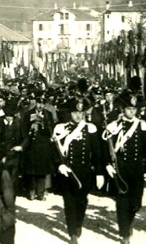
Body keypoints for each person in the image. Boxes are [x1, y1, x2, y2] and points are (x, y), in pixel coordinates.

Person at [103, 93, 146, 244]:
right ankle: (124, 233)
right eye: (129, 109)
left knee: (136, 202)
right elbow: (106, 149)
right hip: (120, 168)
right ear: (122, 109)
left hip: (137, 168)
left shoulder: (142, 125)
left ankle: (128, 223)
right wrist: (108, 164)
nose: (132, 112)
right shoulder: (114, 126)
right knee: (122, 201)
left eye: (134, 109)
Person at [51, 96, 105, 244]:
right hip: (66, 171)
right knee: (69, 202)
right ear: (70, 113)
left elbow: (97, 152)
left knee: (82, 201)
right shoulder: (60, 128)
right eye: (75, 113)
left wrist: (100, 172)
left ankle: (78, 223)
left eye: (81, 113)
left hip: (85, 172)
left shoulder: (90, 128)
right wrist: (59, 165)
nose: (77, 116)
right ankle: (72, 233)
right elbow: (54, 151)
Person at [20, 93, 54, 200]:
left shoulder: (48, 114)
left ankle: (40, 193)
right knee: (31, 169)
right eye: (39, 103)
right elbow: (23, 129)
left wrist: (42, 125)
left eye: (42, 103)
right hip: (31, 145)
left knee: (42, 170)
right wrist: (31, 127)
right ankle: (31, 190)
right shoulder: (28, 113)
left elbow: (51, 131)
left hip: (43, 145)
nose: (40, 106)